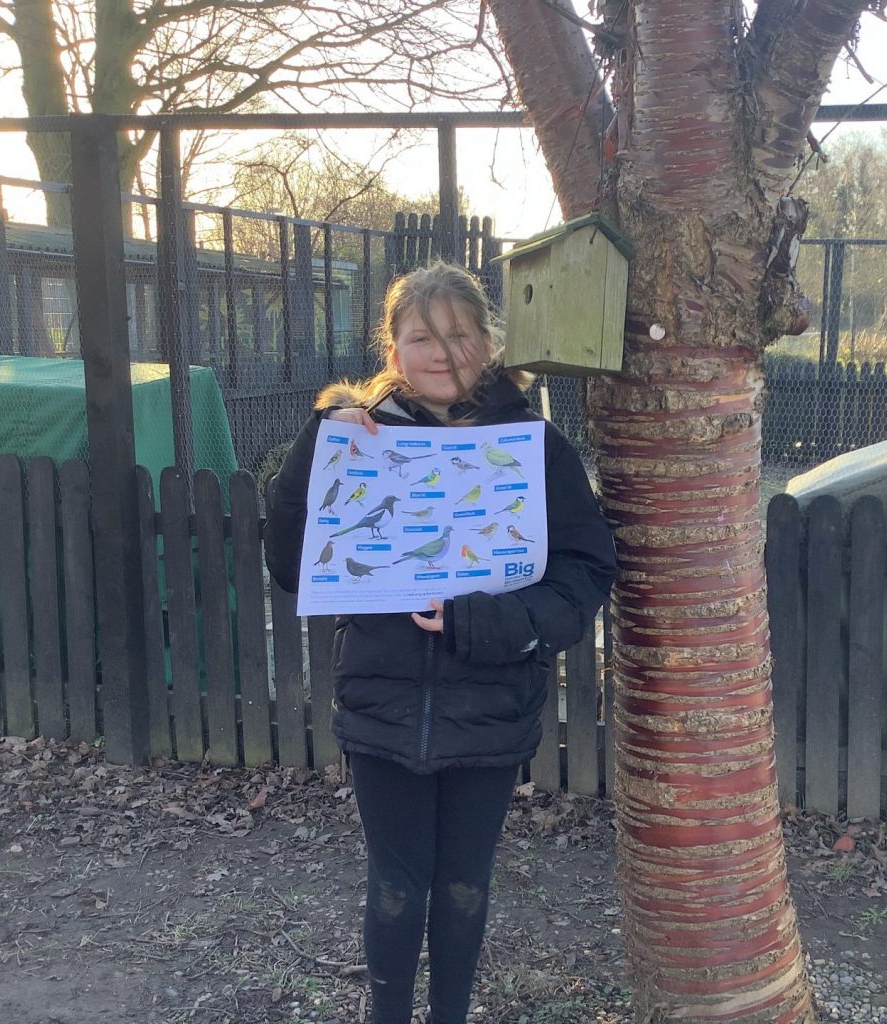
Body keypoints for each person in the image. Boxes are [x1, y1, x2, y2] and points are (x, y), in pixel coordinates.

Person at [264, 262, 616, 1024]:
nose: (442, 352)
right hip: (382, 711)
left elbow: (583, 573)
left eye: (459, 335)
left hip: (489, 711)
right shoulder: (355, 437)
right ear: (392, 349)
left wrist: (483, 623)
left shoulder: (532, 448)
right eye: (421, 337)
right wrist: (317, 445)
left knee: (462, 887)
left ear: (488, 343)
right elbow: (291, 561)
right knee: (394, 887)